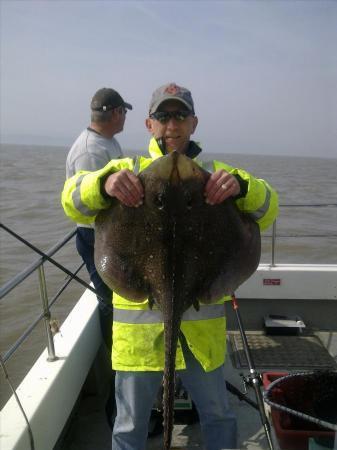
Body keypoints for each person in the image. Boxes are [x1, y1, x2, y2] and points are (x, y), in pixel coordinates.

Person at [61, 82, 279, 450]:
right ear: (149, 124)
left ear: (193, 123)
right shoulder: (126, 169)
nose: (171, 125)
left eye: (180, 116)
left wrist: (243, 187)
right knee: (129, 425)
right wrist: (104, 183)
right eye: (163, 116)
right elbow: (71, 200)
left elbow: (268, 208)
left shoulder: (217, 173)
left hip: (202, 334)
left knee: (218, 415)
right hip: (138, 337)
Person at [65, 87, 132, 352]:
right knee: (109, 301)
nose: (125, 116)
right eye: (124, 111)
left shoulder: (107, 141)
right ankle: (115, 365)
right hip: (95, 238)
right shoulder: (89, 151)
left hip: (110, 235)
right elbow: (87, 204)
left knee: (120, 295)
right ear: (116, 113)